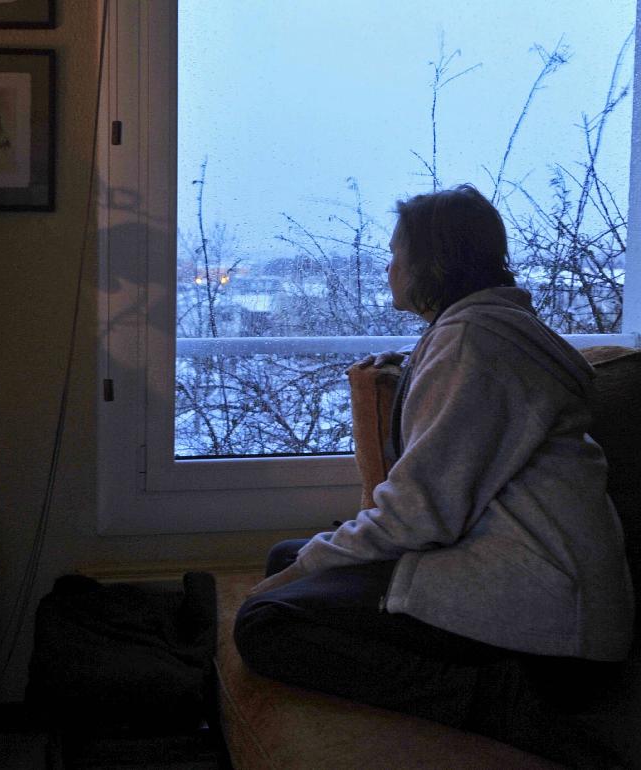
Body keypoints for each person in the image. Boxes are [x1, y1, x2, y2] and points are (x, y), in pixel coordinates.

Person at [233, 184, 634, 764]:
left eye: (398, 254)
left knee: (264, 623)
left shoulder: (473, 343)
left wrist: (295, 576)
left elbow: (419, 516)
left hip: (552, 630)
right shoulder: (480, 332)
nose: (389, 267)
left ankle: (498, 702)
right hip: (514, 574)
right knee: (285, 556)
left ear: (432, 263)